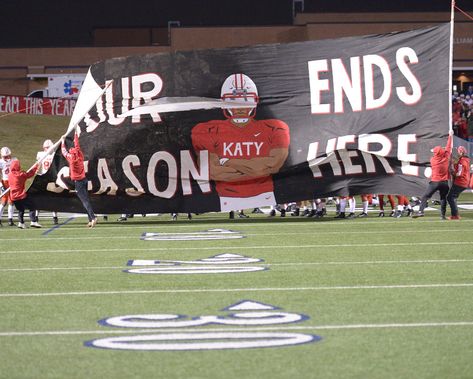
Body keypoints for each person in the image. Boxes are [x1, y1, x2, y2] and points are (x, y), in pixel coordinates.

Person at [192, 73, 290, 212]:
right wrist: (255, 166)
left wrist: (227, 161)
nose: (239, 105)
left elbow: (272, 166)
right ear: (223, 102)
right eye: (232, 99)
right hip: (226, 200)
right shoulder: (208, 130)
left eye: (245, 98)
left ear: (255, 101)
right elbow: (213, 172)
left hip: (266, 197)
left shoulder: (274, 128)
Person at [413, 131, 453, 219]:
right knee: (443, 198)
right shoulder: (446, 157)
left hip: (435, 182)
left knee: (425, 197)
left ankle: (421, 211)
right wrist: (450, 135)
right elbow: (449, 147)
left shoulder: (433, 160)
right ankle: (442, 215)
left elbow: (441, 151)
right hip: (445, 182)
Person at [61, 132, 97, 228]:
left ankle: (93, 217)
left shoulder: (71, 158)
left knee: (84, 201)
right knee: (86, 200)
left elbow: (63, 151)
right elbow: (77, 144)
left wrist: (62, 141)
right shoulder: (79, 155)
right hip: (84, 179)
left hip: (79, 182)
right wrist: (76, 135)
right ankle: (90, 219)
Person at [8, 159, 41, 229]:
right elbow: (30, 174)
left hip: (13, 197)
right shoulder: (21, 175)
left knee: (21, 210)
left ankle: (21, 223)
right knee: (32, 206)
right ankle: (33, 221)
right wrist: (36, 166)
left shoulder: (9, 175)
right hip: (21, 196)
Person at [36, 139, 59, 224]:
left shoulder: (54, 155)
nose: (48, 149)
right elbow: (37, 164)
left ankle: (55, 216)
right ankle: (36, 216)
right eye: (47, 148)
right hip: (43, 178)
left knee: (53, 198)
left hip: (52, 178)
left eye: (49, 147)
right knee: (39, 199)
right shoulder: (41, 154)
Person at [446, 146, 470, 220]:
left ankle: (455, 215)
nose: (457, 153)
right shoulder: (465, 160)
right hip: (463, 182)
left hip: (460, 182)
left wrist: (452, 172)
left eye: (458, 151)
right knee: (453, 198)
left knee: (450, 197)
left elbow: (459, 174)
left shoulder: (462, 161)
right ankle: (455, 214)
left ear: (461, 152)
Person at [0, 147, 16, 226]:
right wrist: (0, 185)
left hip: (12, 181)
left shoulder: (14, 160)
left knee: (12, 201)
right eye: (5, 156)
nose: (7, 157)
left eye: (8, 155)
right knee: (4, 201)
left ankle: (10, 219)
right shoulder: (0, 162)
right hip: (5, 181)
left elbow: (17, 170)